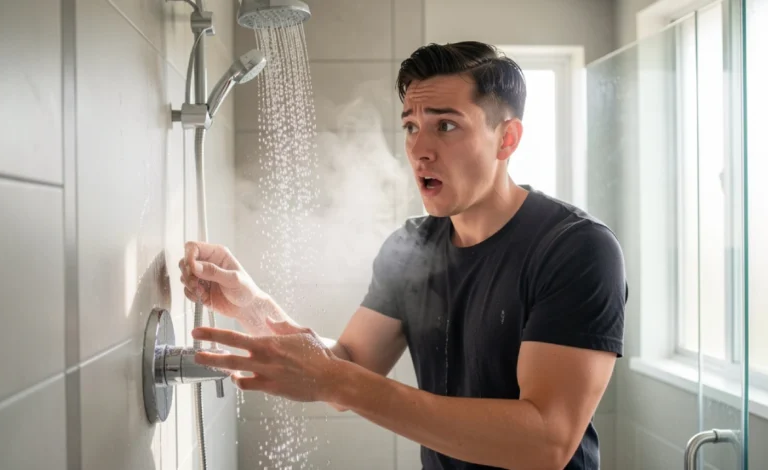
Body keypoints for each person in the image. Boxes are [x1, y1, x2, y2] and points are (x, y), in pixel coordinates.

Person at [179, 41, 627, 470]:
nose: (418, 149)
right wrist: (251, 303)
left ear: (507, 139)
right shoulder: (412, 245)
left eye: (445, 125)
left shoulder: (576, 249)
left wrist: (339, 381)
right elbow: (345, 368)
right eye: (411, 126)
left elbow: (545, 442)